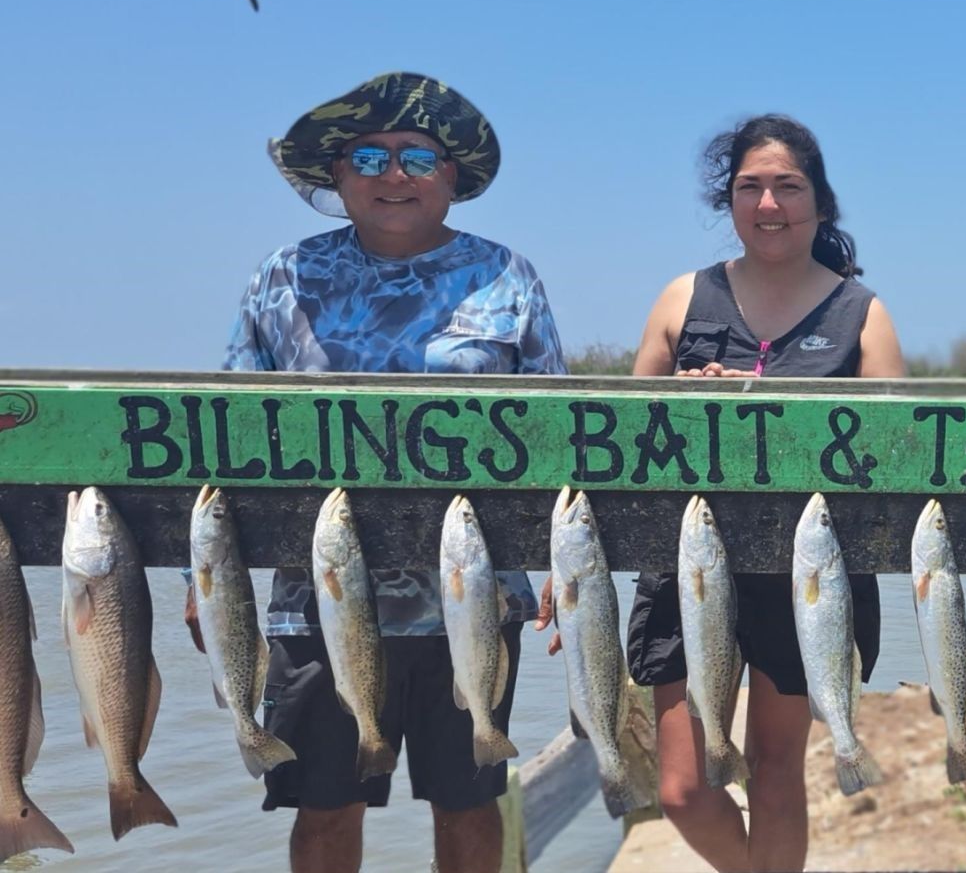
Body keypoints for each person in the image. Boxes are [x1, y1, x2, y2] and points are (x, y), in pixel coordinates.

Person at [184, 72, 566, 873]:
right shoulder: (282, 276)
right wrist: (204, 576)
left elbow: (556, 436)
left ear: (450, 176)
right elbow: (228, 431)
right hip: (311, 599)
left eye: (417, 158)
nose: (394, 175)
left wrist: (562, 564)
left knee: (469, 807)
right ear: (338, 175)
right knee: (323, 811)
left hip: (471, 596)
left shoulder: (508, 276)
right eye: (369, 157)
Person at [537, 114, 904, 872]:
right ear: (728, 201)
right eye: (750, 187)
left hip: (807, 574)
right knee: (682, 789)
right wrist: (568, 567)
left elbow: (893, 461)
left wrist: (771, 406)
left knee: (774, 775)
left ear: (820, 201)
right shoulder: (683, 298)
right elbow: (615, 449)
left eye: (787, 187)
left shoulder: (862, 313)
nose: (769, 204)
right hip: (685, 566)